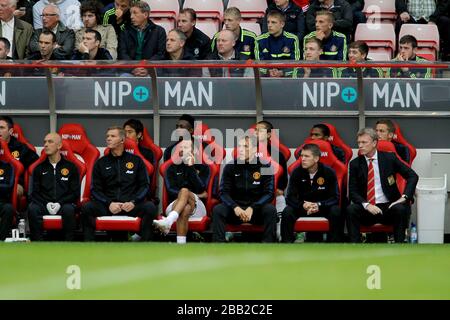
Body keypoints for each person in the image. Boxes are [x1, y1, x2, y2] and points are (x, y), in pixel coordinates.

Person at [81, 126, 157, 241]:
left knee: (150, 207)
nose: (108, 139)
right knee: (87, 207)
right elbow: (95, 189)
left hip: (130, 206)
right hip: (108, 206)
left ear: (122, 140)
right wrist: (109, 203)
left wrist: (133, 202)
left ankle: (145, 245)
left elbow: (145, 186)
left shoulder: (136, 161)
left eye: (113, 136)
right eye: (107, 136)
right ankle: (89, 247)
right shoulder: (100, 163)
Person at [346, 128, 418, 243]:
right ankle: (355, 246)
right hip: (368, 208)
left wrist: (404, 197)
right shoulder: (355, 164)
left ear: (374, 143)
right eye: (359, 142)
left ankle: (400, 246)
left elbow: (412, 176)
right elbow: (353, 191)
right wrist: (367, 205)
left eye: (364, 142)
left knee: (400, 209)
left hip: (388, 206)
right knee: (351, 210)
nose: (360, 146)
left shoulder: (389, 158)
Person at [212, 135, 277, 243]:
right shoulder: (230, 166)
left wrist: (252, 208)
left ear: (255, 149)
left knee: (270, 210)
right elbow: (223, 192)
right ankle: (219, 245)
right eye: (240, 146)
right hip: (235, 210)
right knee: (218, 209)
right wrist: (235, 207)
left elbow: (269, 193)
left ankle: (268, 244)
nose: (241, 149)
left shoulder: (265, 166)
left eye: (246, 146)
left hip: (256, 211)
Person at [281, 143, 343, 242]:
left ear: (316, 158)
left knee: (336, 211)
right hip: (303, 207)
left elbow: (335, 197)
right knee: (287, 212)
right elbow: (290, 197)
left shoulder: (329, 172)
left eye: (306, 156)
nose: (303, 159)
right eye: (301, 156)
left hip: (322, 207)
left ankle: (334, 244)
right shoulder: (296, 172)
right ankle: (286, 243)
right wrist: (303, 205)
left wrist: (319, 205)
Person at [153, 139, 209, 244]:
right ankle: (181, 245)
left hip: (198, 208)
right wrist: (189, 195)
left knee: (184, 191)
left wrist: (190, 167)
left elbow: (202, 187)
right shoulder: (171, 168)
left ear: (195, 150)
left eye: (186, 147)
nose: (182, 150)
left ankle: (168, 221)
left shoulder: (204, 168)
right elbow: (170, 190)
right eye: (181, 147)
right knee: (185, 207)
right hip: (174, 204)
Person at [28, 133, 80, 241]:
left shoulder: (71, 167)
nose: (46, 145)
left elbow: (75, 193)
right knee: (33, 208)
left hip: (63, 204)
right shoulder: (39, 168)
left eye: (50, 142)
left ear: (59, 146)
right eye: (45, 142)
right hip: (44, 204)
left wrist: (59, 203)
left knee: (69, 209)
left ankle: (69, 245)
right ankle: (37, 244)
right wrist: (46, 203)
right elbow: (34, 193)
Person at [118, 1, 166, 76]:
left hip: (151, 70)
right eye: (131, 13)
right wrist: (133, 68)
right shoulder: (125, 32)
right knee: (123, 77)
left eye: (135, 13)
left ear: (145, 14)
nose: (131, 17)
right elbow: (122, 53)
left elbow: (160, 54)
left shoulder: (159, 31)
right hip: (130, 70)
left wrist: (147, 68)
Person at [0, 116, 38, 199]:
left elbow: (38, 164)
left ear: (10, 131)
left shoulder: (21, 148)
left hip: (15, 183)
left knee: (14, 190)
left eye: (2, 128)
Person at [255, 120, 288, 214]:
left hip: (272, 191)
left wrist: (280, 188)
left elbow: (283, 177)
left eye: (260, 131)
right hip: (252, 190)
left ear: (269, 135)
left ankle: (279, 226)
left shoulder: (277, 154)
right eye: (256, 130)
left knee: (280, 197)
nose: (256, 133)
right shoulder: (247, 152)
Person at [255, 10, 300, 78]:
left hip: (287, 79)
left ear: (282, 24)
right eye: (268, 22)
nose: (269, 25)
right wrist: (268, 72)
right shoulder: (259, 40)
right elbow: (258, 64)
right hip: (266, 78)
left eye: (273, 22)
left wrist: (282, 72)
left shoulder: (292, 39)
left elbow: (296, 64)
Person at [0, 158, 14, 241]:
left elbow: (9, 186)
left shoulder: (7, 167)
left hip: (1, 201)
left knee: (8, 208)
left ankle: (1, 241)